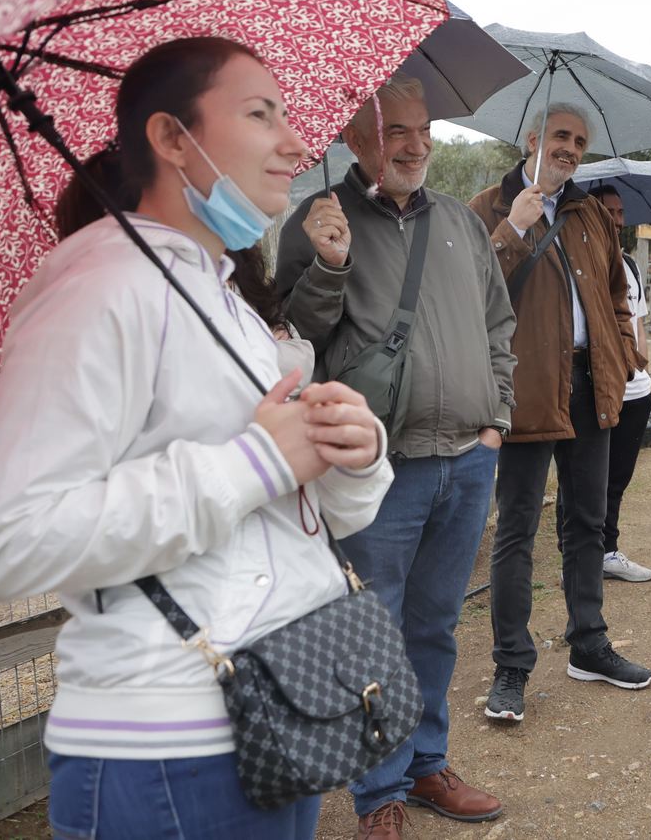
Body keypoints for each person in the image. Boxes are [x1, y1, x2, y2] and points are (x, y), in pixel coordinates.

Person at [0, 37, 393, 840]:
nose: (298, 144)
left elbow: (302, 511)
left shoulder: (219, 293)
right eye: (261, 114)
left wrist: (353, 452)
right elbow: (4, 541)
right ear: (170, 138)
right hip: (163, 752)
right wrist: (256, 461)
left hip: (279, 711)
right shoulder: (99, 290)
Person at [277, 74, 515, 838]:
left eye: (423, 130)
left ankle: (426, 764)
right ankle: (377, 791)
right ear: (354, 141)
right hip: (379, 471)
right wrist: (330, 264)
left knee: (438, 622)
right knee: (373, 626)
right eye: (394, 133)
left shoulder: (459, 221)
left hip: (467, 458)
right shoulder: (317, 219)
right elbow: (297, 341)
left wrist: (497, 418)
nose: (415, 145)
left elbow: (497, 323)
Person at [469, 103, 651, 725]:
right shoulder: (486, 208)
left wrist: (622, 351)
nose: (570, 147)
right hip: (524, 389)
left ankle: (589, 643)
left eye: (579, 140)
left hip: (591, 384)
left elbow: (614, 292)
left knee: (586, 522)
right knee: (517, 531)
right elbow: (471, 294)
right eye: (560, 136)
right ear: (532, 139)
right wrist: (513, 229)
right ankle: (511, 667)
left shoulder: (590, 213)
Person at [582, 184, 651, 582]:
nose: (616, 219)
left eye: (620, 212)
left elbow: (638, 322)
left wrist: (644, 371)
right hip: (599, 390)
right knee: (588, 479)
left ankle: (607, 550)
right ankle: (577, 555)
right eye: (607, 211)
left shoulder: (629, 264)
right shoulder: (583, 263)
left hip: (637, 391)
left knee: (619, 479)